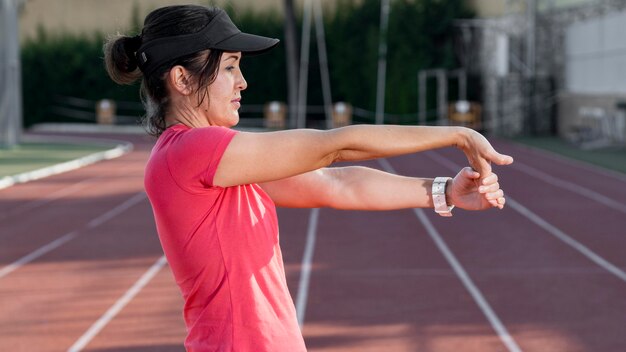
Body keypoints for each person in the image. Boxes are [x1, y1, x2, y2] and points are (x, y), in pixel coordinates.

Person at [104, 4, 513, 352]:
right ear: (182, 79)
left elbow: (335, 183)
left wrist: (444, 192)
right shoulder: (188, 153)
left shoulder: (219, 161)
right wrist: (457, 134)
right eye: (229, 67)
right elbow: (335, 146)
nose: (243, 82)